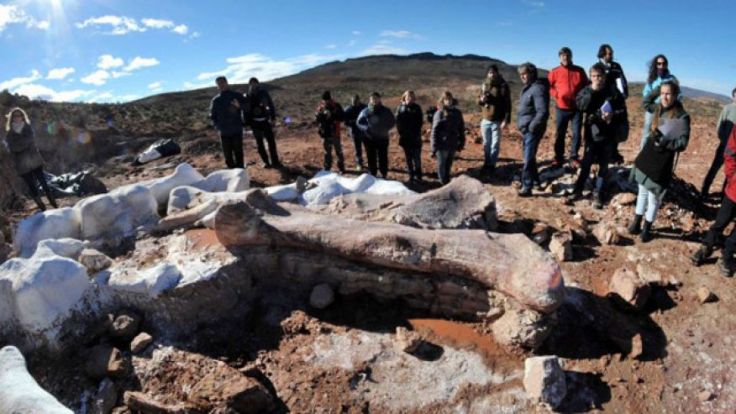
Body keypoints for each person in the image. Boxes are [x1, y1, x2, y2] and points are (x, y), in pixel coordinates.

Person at [628, 81, 690, 242]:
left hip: (662, 162)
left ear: (676, 95)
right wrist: (657, 90)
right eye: (663, 93)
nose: (664, 96)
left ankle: (647, 228)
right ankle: (636, 222)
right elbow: (645, 102)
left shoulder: (681, 116)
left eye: (668, 93)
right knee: (642, 192)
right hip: (648, 156)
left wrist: (666, 143)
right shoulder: (658, 108)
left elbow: (683, 143)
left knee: (654, 196)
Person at [566, 63, 627, 208]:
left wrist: (612, 115)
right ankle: (578, 189)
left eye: (599, 76)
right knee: (586, 163)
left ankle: (598, 193)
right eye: (594, 76)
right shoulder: (586, 90)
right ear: (590, 77)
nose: (597, 79)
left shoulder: (613, 92)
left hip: (608, 134)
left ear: (604, 77)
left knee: (603, 165)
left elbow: (622, 111)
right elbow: (580, 106)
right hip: (591, 134)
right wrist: (592, 92)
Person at [692, 127, 736, 276]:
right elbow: (730, 152)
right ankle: (707, 246)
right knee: (720, 221)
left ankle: (727, 256)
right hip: (734, 189)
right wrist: (732, 176)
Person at [2, 107, 57, 211]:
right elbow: (13, 148)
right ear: (12, 118)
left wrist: (20, 145)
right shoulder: (9, 134)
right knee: (32, 187)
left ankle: (53, 203)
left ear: (23, 116)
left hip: (35, 160)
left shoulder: (28, 128)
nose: (18, 117)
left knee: (44, 183)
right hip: (22, 164)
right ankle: (42, 208)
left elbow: (30, 141)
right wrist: (23, 145)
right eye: (15, 115)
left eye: (20, 115)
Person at [548, 47, 588, 169]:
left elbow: (586, 86)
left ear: (571, 56)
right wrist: (557, 95)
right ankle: (558, 157)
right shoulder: (554, 71)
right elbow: (549, 86)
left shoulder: (579, 71)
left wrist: (582, 99)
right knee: (560, 134)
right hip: (561, 108)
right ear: (560, 57)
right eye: (563, 56)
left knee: (576, 134)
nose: (565, 58)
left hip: (576, 109)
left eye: (567, 55)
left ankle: (574, 157)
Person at [516, 62, 550, 197]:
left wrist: (531, 127)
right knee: (530, 155)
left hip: (532, 129)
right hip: (527, 128)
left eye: (525, 74)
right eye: (521, 75)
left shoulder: (537, 89)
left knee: (528, 158)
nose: (523, 77)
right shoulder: (528, 88)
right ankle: (536, 181)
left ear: (532, 73)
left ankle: (527, 185)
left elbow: (542, 112)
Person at [701, 87, 736, 199]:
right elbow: (719, 127)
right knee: (714, 168)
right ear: (733, 96)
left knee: (730, 173)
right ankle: (704, 191)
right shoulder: (727, 109)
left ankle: (724, 195)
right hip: (724, 146)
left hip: (734, 149)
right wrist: (724, 141)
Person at [597, 44, 629, 164]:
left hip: (616, 101)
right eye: (609, 54)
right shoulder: (597, 67)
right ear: (602, 54)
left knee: (616, 127)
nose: (611, 56)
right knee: (603, 128)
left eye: (611, 53)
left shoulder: (616, 66)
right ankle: (601, 153)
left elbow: (622, 80)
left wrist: (624, 93)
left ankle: (613, 152)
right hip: (603, 102)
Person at [477, 64, 511, 173]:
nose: (492, 74)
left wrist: (506, 119)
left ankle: (492, 165)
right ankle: (487, 164)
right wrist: (481, 100)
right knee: (486, 143)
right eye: (490, 72)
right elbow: (478, 100)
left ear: (497, 73)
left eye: (493, 72)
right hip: (485, 119)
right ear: (488, 73)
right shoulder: (484, 84)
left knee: (495, 144)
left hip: (497, 120)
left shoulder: (502, 85)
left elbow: (507, 104)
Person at [209, 76, 248, 169]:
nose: (221, 85)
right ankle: (231, 172)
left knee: (238, 151)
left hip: (236, 129)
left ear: (227, 83)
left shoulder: (236, 95)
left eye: (223, 82)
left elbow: (247, 107)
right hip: (224, 131)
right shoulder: (216, 100)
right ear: (217, 86)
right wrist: (217, 126)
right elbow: (212, 115)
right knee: (227, 153)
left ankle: (240, 171)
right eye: (219, 84)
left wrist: (240, 106)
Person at [641, 55, 679, 149]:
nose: (661, 66)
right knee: (647, 133)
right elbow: (646, 92)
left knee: (662, 134)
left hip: (667, 111)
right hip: (652, 109)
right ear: (655, 65)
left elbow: (679, 94)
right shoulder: (652, 78)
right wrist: (652, 101)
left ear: (666, 65)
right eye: (659, 64)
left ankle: (655, 158)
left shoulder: (671, 79)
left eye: (663, 63)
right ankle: (642, 157)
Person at [356, 92, 395, 178]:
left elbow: (392, 121)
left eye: (376, 98)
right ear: (370, 100)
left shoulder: (386, 110)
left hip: (383, 138)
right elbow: (359, 122)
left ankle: (383, 174)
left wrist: (385, 128)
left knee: (383, 157)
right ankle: (373, 174)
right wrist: (366, 128)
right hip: (369, 138)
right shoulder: (365, 111)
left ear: (379, 99)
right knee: (371, 157)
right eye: (372, 99)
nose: (374, 100)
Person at [245, 77, 281, 168]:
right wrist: (247, 123)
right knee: (259, 143)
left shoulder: (264, 93)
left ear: (258, 83)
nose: (254, 85)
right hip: (255, 123)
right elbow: (245, 110)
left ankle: (275, 161)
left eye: (255, 83)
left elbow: (270, 104)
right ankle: (266, 162)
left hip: (265, 121)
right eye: (252, 83)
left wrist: (273, 117)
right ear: (249, 85)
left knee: (271, 142)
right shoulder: (247, 96)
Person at [431, 91, 465, 185]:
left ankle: (446, 181)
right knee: (442, 164)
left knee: (448, 164)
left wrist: (462, 142)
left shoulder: (457, 113)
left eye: (449, 99)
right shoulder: (439, 113)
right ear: (443, 101)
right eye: (446, 99)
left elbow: (461, 128)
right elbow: (434, 131)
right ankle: (442, 183)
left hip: (453, 143)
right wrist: (434, 147)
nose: (448, 101)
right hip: (442, 144)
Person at [395, 90, 424, 182]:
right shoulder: (400, 108)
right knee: (408, 157)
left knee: (416, 157)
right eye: (408, 97)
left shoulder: (417, 108)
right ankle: (411, 174)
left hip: (416, 136)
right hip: (405, 137)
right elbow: (397, 122)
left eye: (412, 97)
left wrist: (415, 131)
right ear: (404, 98)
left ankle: (418, 175)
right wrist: (401, 132)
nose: (410, 99)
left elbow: (420, 121)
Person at [315, 91, 345, 173]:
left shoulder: (336, 106)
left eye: (327, 100)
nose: (326, 102)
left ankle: (341, 167)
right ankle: (327, 168)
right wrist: (320, 115)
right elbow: (317, 120)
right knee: (327, 152)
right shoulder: (321, 107)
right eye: (325, 100)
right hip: (325, 133)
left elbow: (342, 117)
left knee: (338, 150)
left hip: (335, 132)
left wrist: (332, 115)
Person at [343, 95, 368, 171]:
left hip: (365, 132)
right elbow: (346, 122)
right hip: (355, 132)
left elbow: (369, 117)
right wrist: (353, 122)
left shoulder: (364, 107)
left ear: (359, 101)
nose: (355, 103)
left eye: (356, 101)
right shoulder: (348, 110)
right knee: (358, 149)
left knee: (369, 148)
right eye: (354, 102)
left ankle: (371, 162)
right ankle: (359, 163)